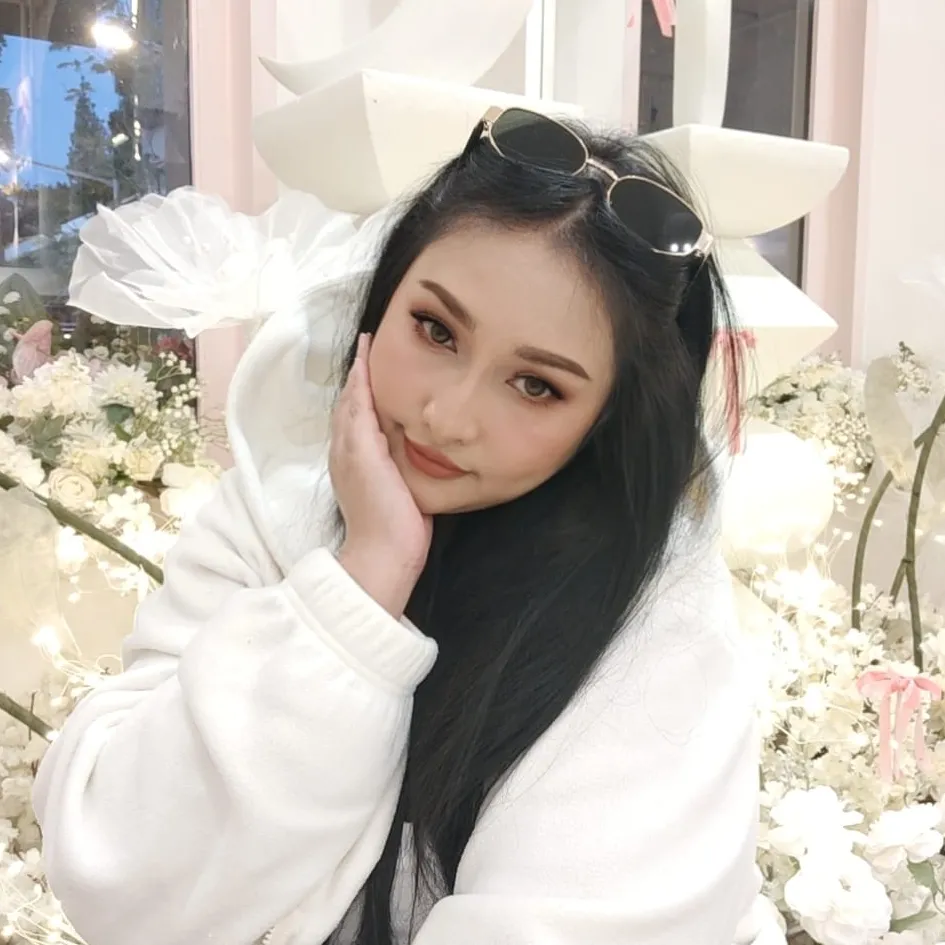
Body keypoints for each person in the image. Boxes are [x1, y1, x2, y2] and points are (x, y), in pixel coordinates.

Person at [34, 107, 762, 945]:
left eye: (536, 386)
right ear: (383, 300)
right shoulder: (274, 511)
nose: (445, 416)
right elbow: (123, 876)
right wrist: (360, 585)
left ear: (608, 420)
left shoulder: (657, 626)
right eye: (435, 329)